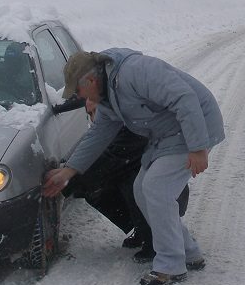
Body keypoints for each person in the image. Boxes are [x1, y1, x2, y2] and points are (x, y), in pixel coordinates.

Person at [43, 49, 224, 285]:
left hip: (194, 127)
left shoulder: (135, 72)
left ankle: (170, 265)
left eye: (77, 91)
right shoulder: (108, 96)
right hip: (168, 134)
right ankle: (188, 252)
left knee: (156, 188)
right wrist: (70, 170)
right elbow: (99, 133)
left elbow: (183, 97)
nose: (78, 97)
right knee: (142, 190)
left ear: (91, 81)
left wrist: (198, 147)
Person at [57, 97, 190, 260]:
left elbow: (109, 159)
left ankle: (155, 241)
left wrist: (64, 182)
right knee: (95, 187)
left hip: (167, 193)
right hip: (141, 176)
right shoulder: (113, 122)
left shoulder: (129, 128)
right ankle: (142, 229)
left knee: (130, 184)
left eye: (95, 111)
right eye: (89, 113)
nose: (93, 118)